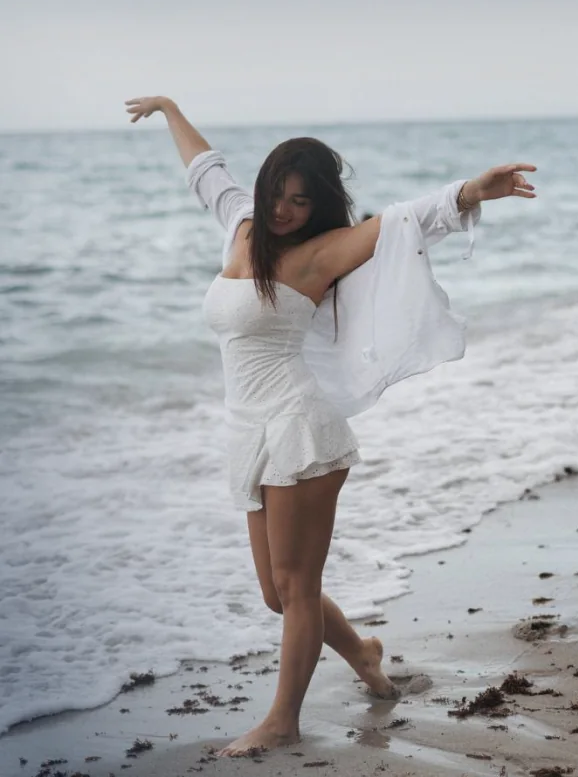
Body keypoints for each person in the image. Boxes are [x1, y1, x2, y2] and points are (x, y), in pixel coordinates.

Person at [124, 95, 537, 757]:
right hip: (248, 432)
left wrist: (469, 191)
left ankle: (282, 720)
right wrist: (171, 110)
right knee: (277, 593)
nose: (283, 210)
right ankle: (364, 652)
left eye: (300, 201)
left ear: (317, 206)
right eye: (277, 195)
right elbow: (207, 172)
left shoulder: (320, 255)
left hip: (299, 427)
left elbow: (405, 222)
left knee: (297, 588)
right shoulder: (241, 227)